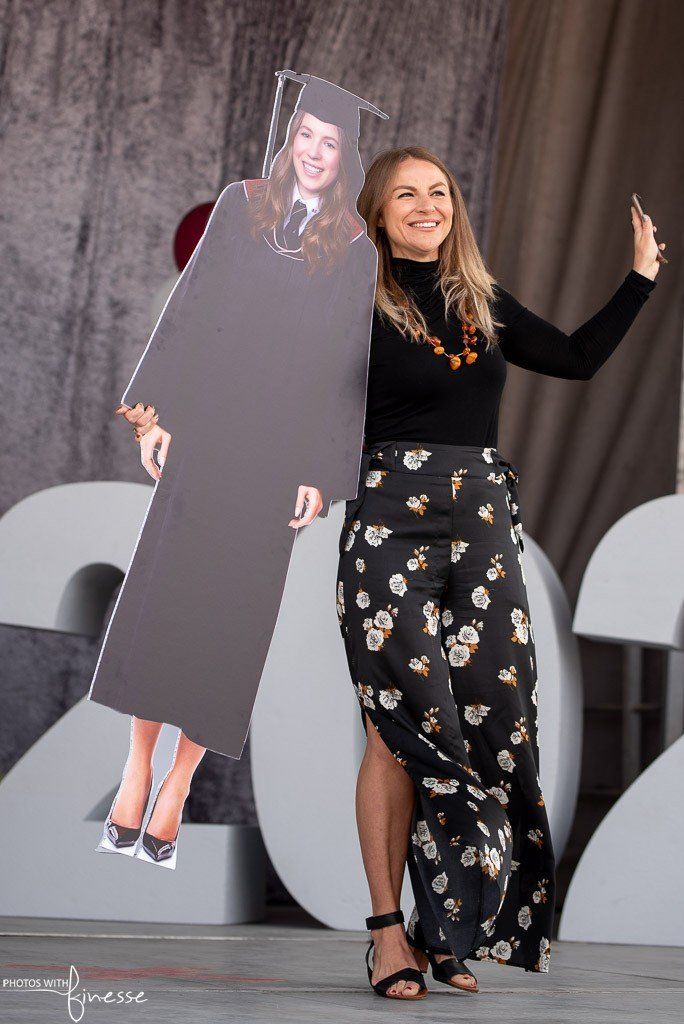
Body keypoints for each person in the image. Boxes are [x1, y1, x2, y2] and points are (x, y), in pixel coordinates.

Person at [330, 146, 662, 998]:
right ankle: (387, 934)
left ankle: (447, 926)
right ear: (378, 213)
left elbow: (578, 358)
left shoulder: (479, 298)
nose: (427, 205)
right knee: (398, 725)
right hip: (388, 517)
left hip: (481, 519)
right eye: (407, 194)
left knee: (492, 720)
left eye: (439, 191)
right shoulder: (347, 296)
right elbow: (281, 390)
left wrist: (641, 279)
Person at [90, 73, 385, 868]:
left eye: (331, 142)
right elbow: (190, 307)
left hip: (277, 458)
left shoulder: (355, 249)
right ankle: (136, 769)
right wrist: (155, 413)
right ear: (291, 137)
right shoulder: (241, 204)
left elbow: (346, 367)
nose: (315, 152)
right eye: (307, 136)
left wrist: (322, 471)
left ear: (348, 156)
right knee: (168, 602)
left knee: (230, 622)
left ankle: (179, 784)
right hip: (208, 436)